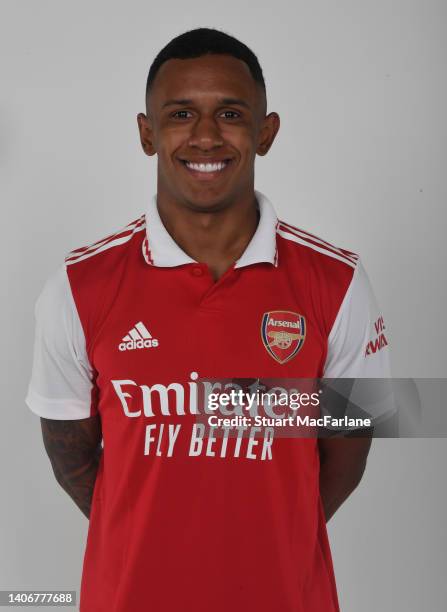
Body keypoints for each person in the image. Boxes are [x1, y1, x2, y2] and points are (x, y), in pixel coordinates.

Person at [25, 27, 392, 612]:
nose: (204, 136)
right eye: (179, 114)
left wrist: (269, 537)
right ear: (146, 134)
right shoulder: (78, 287)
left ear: (265, 132)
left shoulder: (337, 283)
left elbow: (347, 450)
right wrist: (153, 538)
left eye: (229, 112)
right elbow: (70, 455)